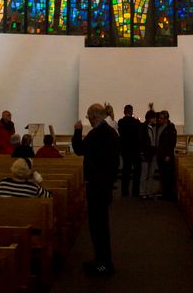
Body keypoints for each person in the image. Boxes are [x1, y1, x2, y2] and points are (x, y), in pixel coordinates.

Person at [72, 102, 120, 276]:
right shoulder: (111, 133)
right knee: (101, 225)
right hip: (105, 185)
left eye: (88, 118)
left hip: (97, 186)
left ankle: (103, 264)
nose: (89, 121)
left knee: (97, 226)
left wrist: (77, 131)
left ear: (94, 117)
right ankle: (102, 261)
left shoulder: (98, 133)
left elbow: (79, 149)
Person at [118, 104, 141, 197]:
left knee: (126, 171)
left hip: (125, 149)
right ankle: (135, 192)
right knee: (136, 172)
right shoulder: (136, 122)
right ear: (132, 112)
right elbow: (139, 137)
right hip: (135, 149)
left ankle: (124, 192)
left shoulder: (121, 122)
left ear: (124, 112)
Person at [156, 109, 177, 201]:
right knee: (163, 175)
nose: (159, 120)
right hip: (160, 154)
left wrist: (168, 155)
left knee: (168, 176)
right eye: (159, 118)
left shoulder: (170, 128)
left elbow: (172, 142)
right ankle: (164, 193)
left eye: (161, 118)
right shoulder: (159, 127)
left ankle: (169, 195)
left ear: (166, 119)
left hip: (167, 155)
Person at [139, 109, 158, 200]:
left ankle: (149, 191)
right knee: (144, 174)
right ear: (149, 118)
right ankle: (142, 192)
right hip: (146, 152)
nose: (155, 119)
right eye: (154, 118)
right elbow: (141, 141)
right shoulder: (143, 128)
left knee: (151, 174)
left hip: (153, 152)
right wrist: (142, 152)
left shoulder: (155, 127)